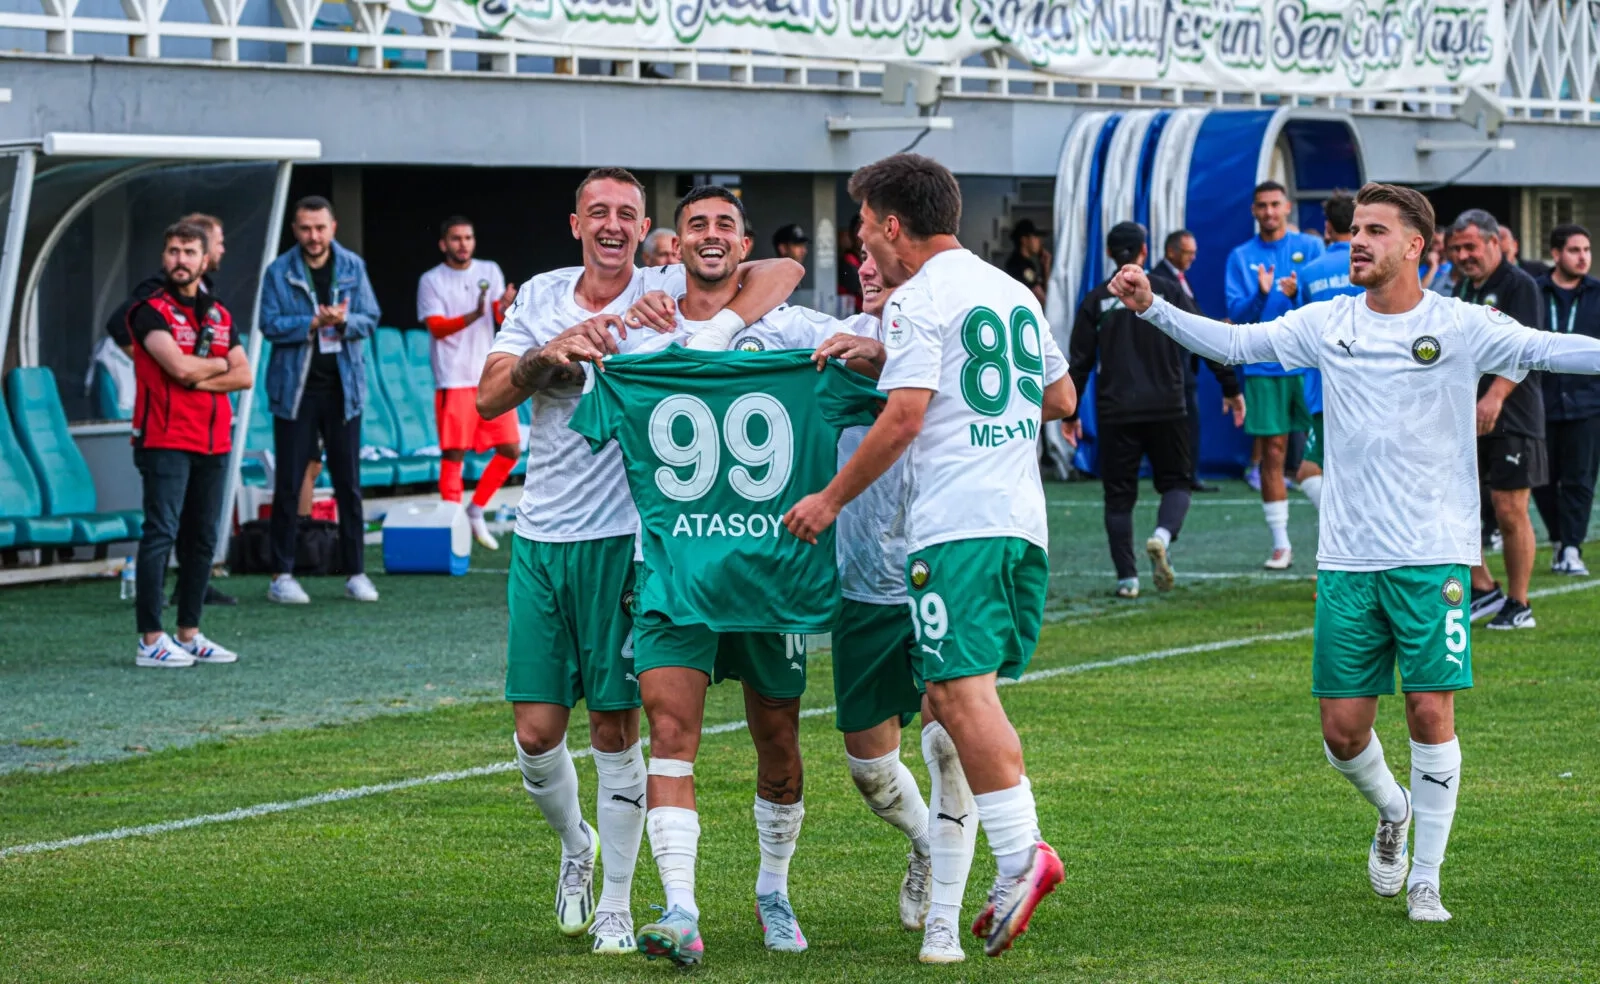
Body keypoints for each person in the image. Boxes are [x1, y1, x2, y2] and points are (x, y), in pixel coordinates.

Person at [1109, 180, 1600, 925]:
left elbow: (1548, 349)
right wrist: (1154, 307)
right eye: (1355, 230)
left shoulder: (1461, 324)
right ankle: (1394, 810)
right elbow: (1237, 343)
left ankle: (1427, 878)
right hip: (1347, 559)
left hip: (1433, 555)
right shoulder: (1328, 322)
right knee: (1342, 734)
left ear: (1416, 246)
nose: (1358, 242)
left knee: (1430, 712)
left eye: (1375, 231)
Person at [474, 168, 802, 959]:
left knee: (617, 730)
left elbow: (780, 271)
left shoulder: (666, 288)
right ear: (576, 224)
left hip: (629, 540)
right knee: (535, 737)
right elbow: (488, 398)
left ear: (648, 228)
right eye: (599, 213)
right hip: (542, 538)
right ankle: (576, 846)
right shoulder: (542, 295)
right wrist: (547, 356)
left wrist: (712, 323)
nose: (613, 225)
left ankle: (617, 908)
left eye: (627, 213)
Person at [785, 153, 1078, 959]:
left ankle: (1022, 854)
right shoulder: (1009, 290)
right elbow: (1060, 398)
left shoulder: (918, 297)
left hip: (957, 525)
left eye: (862, 228)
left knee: (956, 694)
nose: (862, 245)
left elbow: (905, 418)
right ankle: (1006, 860)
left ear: (891, 223)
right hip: (1019, 522)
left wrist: (829, 500)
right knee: (958, 698)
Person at [574, 186, 871, 966]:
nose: (711, 235)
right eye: (697, 224)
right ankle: (681, 909)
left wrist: (868, 350)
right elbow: (594, 418)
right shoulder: (640, 342)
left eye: (726, 226)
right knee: (671, 735)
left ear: (744, 245)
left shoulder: (799, 331)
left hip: (773, 574)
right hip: (673, 571)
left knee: (779, 742)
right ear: (675, 245)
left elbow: (883, 370)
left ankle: (773, 888)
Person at [1066, 222, 1243, 598]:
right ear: (1144, 252)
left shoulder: (1096, 300)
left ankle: (1126, 579)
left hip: (1115, 411)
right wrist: (1230, 387)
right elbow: (1202, 335)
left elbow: (1079, 364)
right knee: (1177, 483)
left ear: (1109, 253)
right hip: (1168, 407)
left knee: (1118, 498)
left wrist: (1070, 413)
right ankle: (1161, 537)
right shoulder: (1167, 290)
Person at [128, 221, 253, 668]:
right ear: (164, 258)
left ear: (205, 260)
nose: (180, 260)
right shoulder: (149, 310)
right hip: (165, 438)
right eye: (173, 251)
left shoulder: (219, 314)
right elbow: (178, 369)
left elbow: (245, 376)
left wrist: (202, 372)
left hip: (213, 440)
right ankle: (150, 639)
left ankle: (189, 633)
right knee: (161, 533)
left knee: (202, 539)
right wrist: (217, 364)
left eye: (189, 252)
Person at [259, 196, 382, 605]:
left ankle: (356, 572)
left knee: (349, 484)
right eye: (306, 228)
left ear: (333, 228)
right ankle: (282, 574)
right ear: (295, 230)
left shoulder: (352, 266)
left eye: (320, 228)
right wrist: (312, 321)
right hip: (295, 393)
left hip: (343, 391)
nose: (313, 236)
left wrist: (343, 321)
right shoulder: (279, 271)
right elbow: (268, 324)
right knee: (289, 483)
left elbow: (370, 317)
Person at [1449, 210, 1546, 630]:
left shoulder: (1519, 285)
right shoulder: (1463, 288)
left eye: (1470, 246)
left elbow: (1524, 349)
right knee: (1457, 505)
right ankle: (1484, 588)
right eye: (1456, 249)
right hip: (1466, 416)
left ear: (1494, 243)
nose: (1463, 256)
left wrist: (1494, 396)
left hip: (1513, 415)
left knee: (1509, 509)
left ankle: (1519, 603)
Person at [1225, 181, 1324, 569]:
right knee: (1273, 453)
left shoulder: (1311, 248)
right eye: (1262, 205)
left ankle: (1341, 537)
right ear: (1254, 211)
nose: (1268, 212)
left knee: (1329, 450)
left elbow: (1326, 302)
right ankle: (1281, 545)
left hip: (1311, 364)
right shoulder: (1240, 256)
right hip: (1264, 365)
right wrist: (1262, 294)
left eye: (1274, 205)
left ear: (1287, 208)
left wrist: (1298, 292)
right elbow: (1238, 315)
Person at [416, 215, 521, 549]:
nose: (463, 244)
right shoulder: (431, 280)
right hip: (453, 377)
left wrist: (505, 307)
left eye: (468, 238)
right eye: (456, 238)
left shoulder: (489, 270)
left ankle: (476, 510)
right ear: (443, 244)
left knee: (511, 449)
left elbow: (500, 318)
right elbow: (436, 327)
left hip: (488, 375)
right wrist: (474, 314)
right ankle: (453, 529)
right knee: (454, 455)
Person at [1534, 224, 1600, 576]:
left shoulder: (1598, 293)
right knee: (1542, 481)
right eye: (1575, 250)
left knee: (1580, 480)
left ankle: (1573, 549)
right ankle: (1559, 541)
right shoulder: (1535, 291)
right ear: (1556, 254)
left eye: (1586, 250)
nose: (1583, 257)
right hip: (1541, 403)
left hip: (1587, 404)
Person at [1294, 191, 1365, 514]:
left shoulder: (1310, 272)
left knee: (1311, 471)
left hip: (1325, 386)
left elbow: (1302, 327)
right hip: (1371, 382)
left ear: (1327, 227)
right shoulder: (1376, 265)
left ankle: (1350, 529)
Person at [1153, 229, 1224, 492]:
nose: (1193, 258)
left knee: (1186, 424)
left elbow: (1193, 316)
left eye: (1194, 252)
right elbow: (1189, 319)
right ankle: (1183, 475)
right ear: (1171, 251)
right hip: (1173, 369)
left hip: (1181, 368)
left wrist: (1214, 327)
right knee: (1182, 425)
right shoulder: (1162, 280)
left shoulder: (1178, 278)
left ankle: (1186, 473)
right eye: (1187, 252)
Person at [1004, 218, 1050, 306]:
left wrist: (1045, 266)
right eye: (1035, 236)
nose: (1039, 241)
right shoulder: (1019, 264)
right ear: (1024, 240)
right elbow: (1043, 299)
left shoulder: (1027, 263)